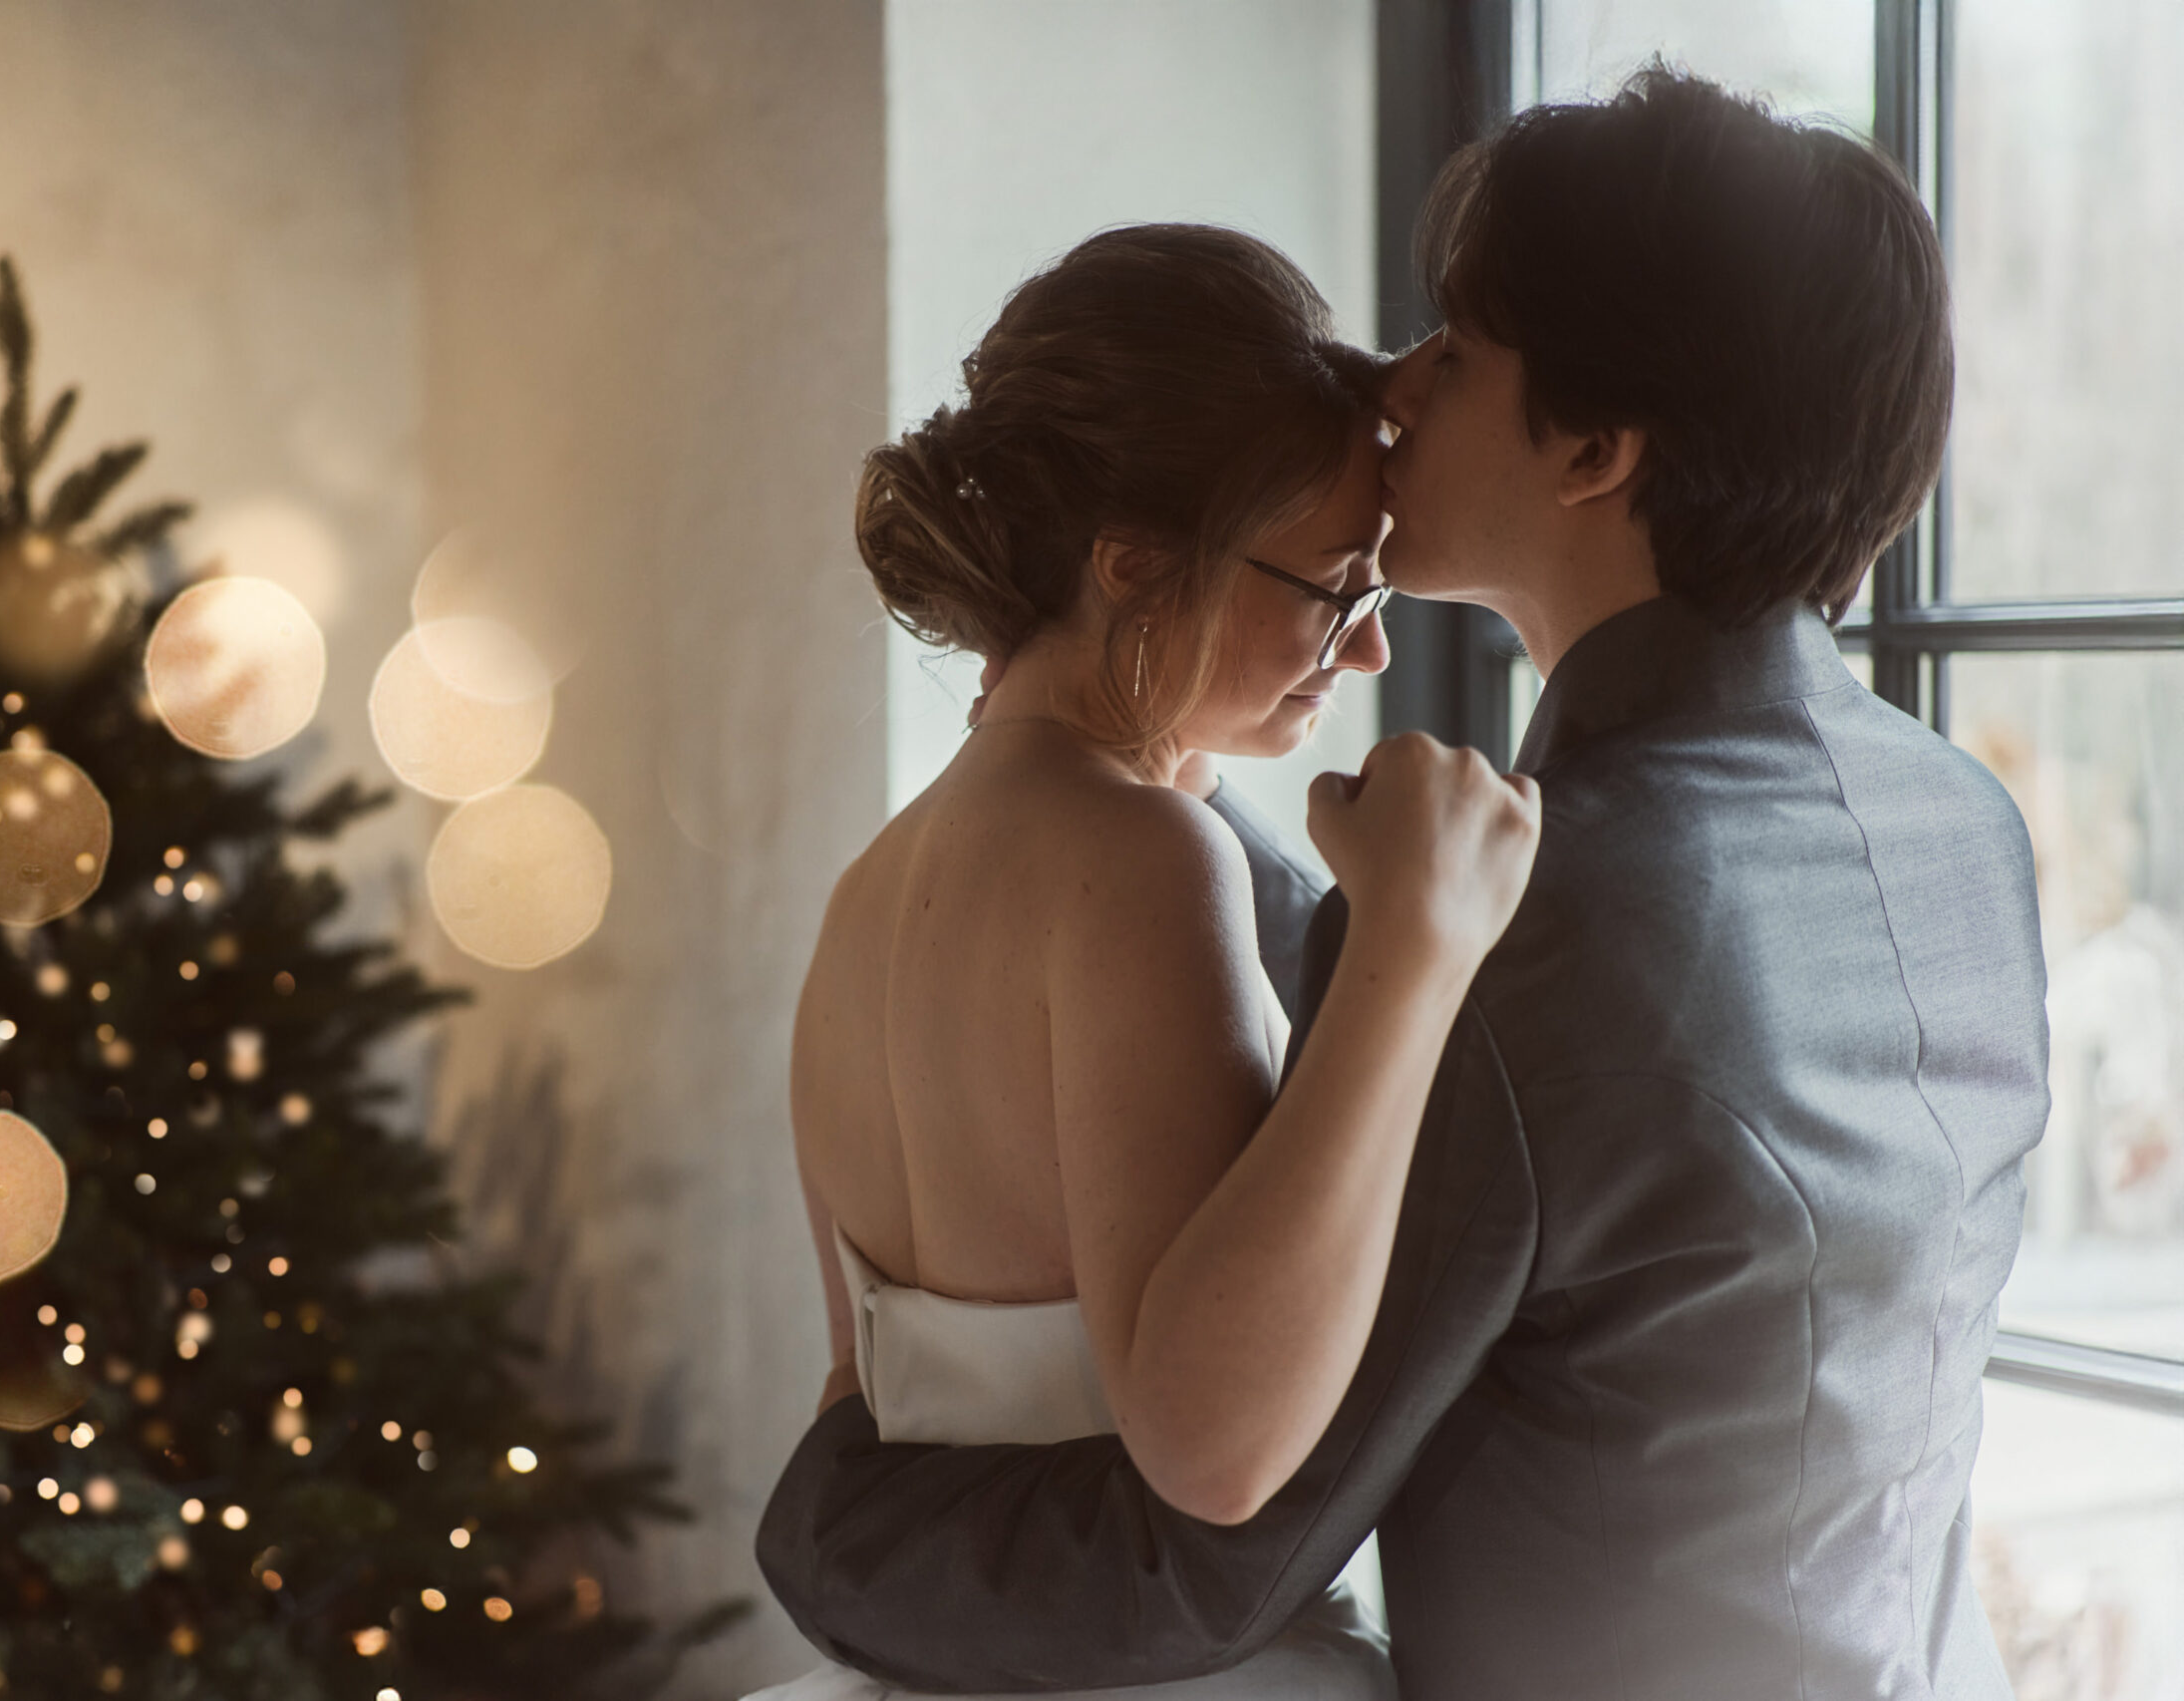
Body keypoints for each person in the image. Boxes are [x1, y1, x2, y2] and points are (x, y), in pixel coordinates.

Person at [756, 67, 2051, 1701]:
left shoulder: (1499, 923)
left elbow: (1204, 1540)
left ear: (1593, 447)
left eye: (1453, 345)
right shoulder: (1968, 829)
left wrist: (827, 1514)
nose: (1394, 382)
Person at [753, 221, 1542, 1701]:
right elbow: (1216, 1450)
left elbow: (869, 1399)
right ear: (1130, 563)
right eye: (1333, 585)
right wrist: (1416, 952)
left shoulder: (872, 884)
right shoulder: (1143, 860)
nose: (1365, 650)